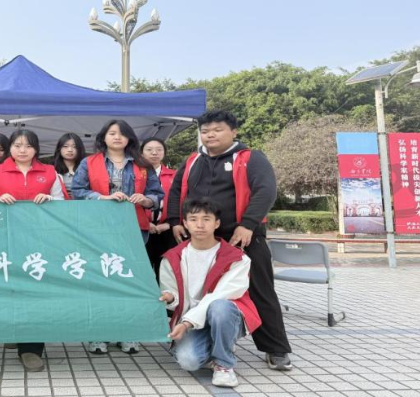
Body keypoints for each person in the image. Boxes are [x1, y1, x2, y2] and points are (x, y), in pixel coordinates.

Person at [165, 109, 293, 370]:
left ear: (233, 132)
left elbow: (266, 191)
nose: (210, 135)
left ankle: (276, 349)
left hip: (242, 238)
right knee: (197, 290)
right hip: (202, 239)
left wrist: (248, 224)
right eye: (205, 131)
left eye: (217, 130)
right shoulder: (193, 161)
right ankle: (199, 341)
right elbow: (176, 191)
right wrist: (176, 220)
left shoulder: (250, 158)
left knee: (260, 291)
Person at [70, 119, 164, 355]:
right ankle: (99, 331)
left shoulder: (142, 164)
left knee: (129, 279)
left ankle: (127, 331)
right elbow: (77, 191)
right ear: (104, 137)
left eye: (122, 133)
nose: (117, 137)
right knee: (100, 279)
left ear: (129, 138)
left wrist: (146, 200)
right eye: (112, 133)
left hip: (134, 228)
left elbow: (157, 194)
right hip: (97, 229)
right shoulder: (89, 162)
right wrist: (102, 198)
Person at [0, 129, 64, 372]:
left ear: (36, 149)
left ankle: (31, 348)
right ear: (10, 148)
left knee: (36, 290)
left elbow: (62, 203)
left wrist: (50, 200)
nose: (22, 150)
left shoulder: (50, 172)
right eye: (17, 145)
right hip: (4, 239)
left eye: (28, 146)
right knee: (10, 287)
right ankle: (14, 330)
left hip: (41, 241)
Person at [159, 197, 261, 388]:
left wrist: (187, 323)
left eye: (206, 219)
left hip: (223, 315)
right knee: (188, 361)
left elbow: (222, 294)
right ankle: (217, 344)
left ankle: (224, 364)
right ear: (185, 223)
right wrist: (170, 297)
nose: (200, 225)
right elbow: (173, 295)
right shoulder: (172, 258)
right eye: (193, 219)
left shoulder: (237, 258)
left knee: (220, 307)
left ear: (217, 223)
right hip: (192, 321)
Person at [140, 137, 177, 279]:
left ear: (164, 153)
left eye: (159, 149)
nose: (154, 153)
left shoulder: (174, 176)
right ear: (142, 153)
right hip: (142, 229)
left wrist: (170, 223)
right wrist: (144, 223)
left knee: (166, 269)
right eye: (149, 150)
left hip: (167, 229)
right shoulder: (135, 175)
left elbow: (181, 201)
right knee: (143, 269)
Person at [53, 133, 87, 199]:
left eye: (74, 147)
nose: (70, 150)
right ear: (59, 149)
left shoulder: (87, 168)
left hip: (82, 203)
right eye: (65, 146)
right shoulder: (51, 169)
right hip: (59, 203)